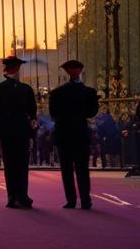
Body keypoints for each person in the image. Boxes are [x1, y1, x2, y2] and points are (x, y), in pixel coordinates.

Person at [48, 59, 98, 209]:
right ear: (80, 71)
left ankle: (71, 200)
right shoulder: (89, 92)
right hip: (81, 133)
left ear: (67, 72)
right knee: (82, 169)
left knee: (67, 170)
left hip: (63, 133)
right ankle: (85, 200)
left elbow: (53, 114)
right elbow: (92, 112)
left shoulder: (57, 93)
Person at [0, 55, 36, 209]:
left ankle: (12, 196)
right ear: (16, 69)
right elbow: (32, 110)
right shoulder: (26, 89)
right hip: (21, 129)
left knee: (10, 165)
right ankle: (22, 195)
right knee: (21, 164)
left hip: (6, 129)